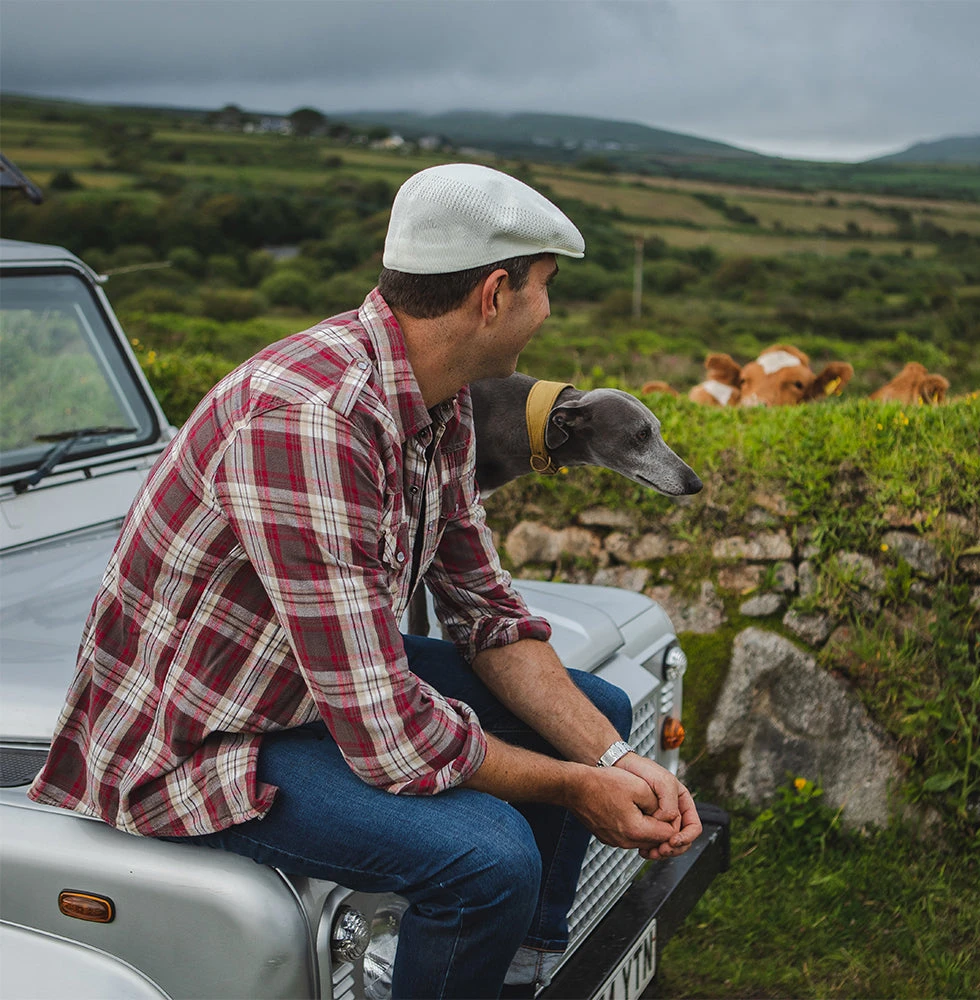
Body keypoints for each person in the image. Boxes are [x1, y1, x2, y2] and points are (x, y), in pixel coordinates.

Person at [28, 163, 702, 998]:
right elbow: (388, 736)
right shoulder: (311, 419)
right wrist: (581, 787)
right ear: (494, 294)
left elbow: (485, 611)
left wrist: (610, 759)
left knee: (596, 713)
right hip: (196, 739)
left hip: (295, 692)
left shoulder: (436, 399)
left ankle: (520, 974)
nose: (549, 310)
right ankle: (485, 945)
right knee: (488, 858)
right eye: (546, 287)